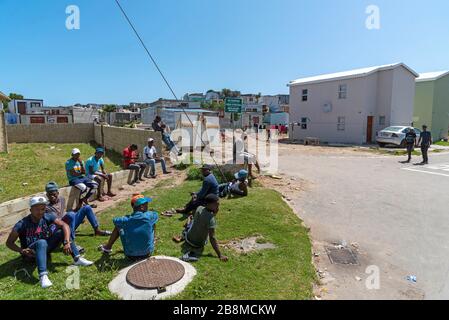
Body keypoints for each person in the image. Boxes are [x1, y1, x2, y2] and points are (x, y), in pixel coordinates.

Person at [6, 196, 93, 289]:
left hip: (45, 248)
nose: (40, 212)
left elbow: (64, 225)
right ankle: (43, 276)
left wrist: (67, 242)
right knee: (42, 242)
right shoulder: (22, 224)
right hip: (31, 252)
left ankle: (77, 258)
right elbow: (9, 243)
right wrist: (21, 250)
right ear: (30, 210)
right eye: (36, 209)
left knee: (61, 232)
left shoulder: (47, 216)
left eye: (42, 209)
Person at [45, 182, 111, 243]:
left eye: (54, 194)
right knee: (71, 214)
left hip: (68, 223)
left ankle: (97, 230)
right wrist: (71, 215)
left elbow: (62, 213)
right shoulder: (46, 207)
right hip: (59, 228)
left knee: (87, 208)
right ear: (47, 195)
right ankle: (71, 241)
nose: (52, 197)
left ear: (57, 193)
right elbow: (57, 221)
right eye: (49, 195)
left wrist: (77, 211)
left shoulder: (62, 199)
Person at [98, 195, 158, 261]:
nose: (147, 206)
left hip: (130, 255)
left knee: (118, 226)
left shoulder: (125, 220)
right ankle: (153, 240)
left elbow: (115, 220)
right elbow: (155, 214)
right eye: (146, 204)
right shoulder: (149, 216)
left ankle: (108, 247)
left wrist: (127, 217)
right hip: (147, 253)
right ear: (142, 207)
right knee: (152, 223)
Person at [173, 194, 228, 263]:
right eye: (216, 204)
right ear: (209, 204)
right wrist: (220, 255)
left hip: (188, 238)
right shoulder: (211, 219)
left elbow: (205, 218)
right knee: (195, 224)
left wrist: (213, 214)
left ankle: (185, 231)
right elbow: (212, 238)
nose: (218, 205)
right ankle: (187, 224)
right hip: (198, 244)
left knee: (192, 221)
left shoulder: (199, 208)